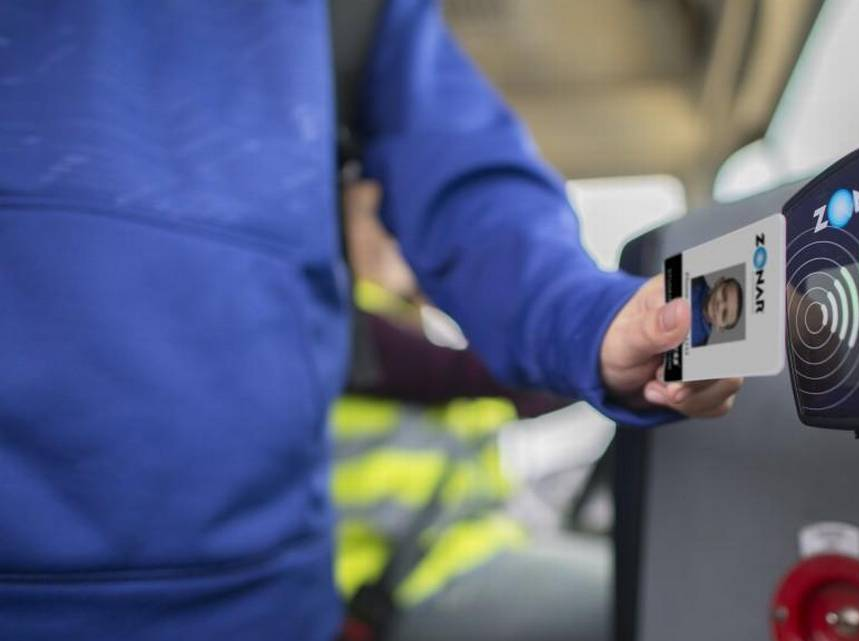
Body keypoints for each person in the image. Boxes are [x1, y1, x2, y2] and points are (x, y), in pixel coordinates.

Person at [0, 3, 743, 640]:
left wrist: (592, 322)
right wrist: (576, 354)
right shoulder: (370, 335)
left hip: (276, 600)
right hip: (395, 574)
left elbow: (471, 196)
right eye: (377, 221)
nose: (400, 242)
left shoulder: (359, 19)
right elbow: (462, 373)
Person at [690, 276, 744, 346]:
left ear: (720, 328)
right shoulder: (694, 276)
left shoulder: (698, 344)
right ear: (719, 282)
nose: (720, 305)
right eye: (724, 294)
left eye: (724, 314)